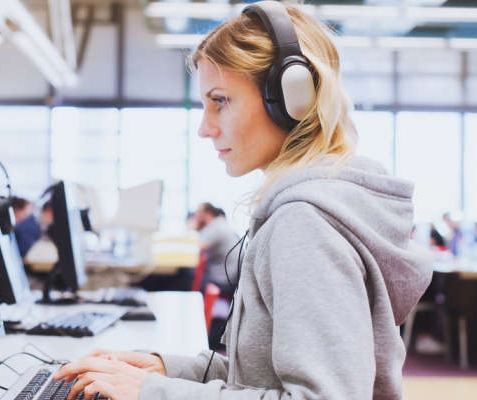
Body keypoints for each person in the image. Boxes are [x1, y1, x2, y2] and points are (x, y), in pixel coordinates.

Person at [53, 2, 432, 399]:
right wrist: (165, 369)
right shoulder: (312, 210)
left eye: (221, 101)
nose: (204, 127)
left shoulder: (305, 224)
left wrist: (153, 392)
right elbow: (260, 375)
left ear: (290, 99)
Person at [193, 202, 239, 297]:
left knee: (185, 277)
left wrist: (193, 226)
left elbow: (197, 247)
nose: (195, 215)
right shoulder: (217, 224)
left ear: (207, 213)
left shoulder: (216, 226)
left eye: (198, 212)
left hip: (223, 279)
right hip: (229, 276)